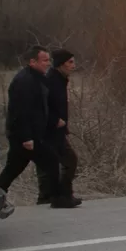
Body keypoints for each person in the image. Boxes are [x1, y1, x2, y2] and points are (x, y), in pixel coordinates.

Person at [0, 45, 76, 213]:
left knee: (13, 169)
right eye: (45, 60)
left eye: (49, 60)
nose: (48, 64)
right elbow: (20, 111)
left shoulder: (37, 78)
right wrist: (26, 138)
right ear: (32, 62)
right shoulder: (25, 81)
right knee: (51, 161)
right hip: (25, 136)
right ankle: (57, 198)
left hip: (30, 135)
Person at [34, 48, 82, 207]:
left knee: (51, 165)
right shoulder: (51, 81)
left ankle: (50, 197)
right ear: (61, 64)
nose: (73, 65)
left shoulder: (60, 79)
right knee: (70, 160)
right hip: (50, 131)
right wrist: (55, 120)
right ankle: (62, 196)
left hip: (56, 131)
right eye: (70, 62)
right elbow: (41, 105)